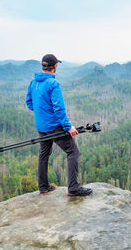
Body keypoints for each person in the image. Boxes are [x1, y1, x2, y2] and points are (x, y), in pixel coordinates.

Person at [26, 54, 92, 196]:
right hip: (54, 126)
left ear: (43, 66)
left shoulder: (33, 83)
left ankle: (43, 186)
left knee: (44, 154)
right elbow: (59, 108)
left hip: (41, 127)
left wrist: (42, 112)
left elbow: (29, 103)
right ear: (54, 67)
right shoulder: (53, 84)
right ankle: (73, 188)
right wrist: (68, 127)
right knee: (73, 152)